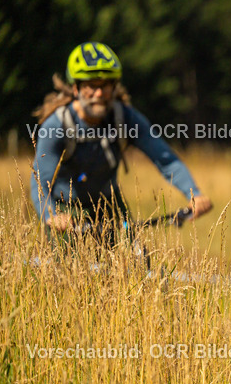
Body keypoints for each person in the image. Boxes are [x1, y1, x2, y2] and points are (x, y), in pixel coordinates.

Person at [30, 41, 212, 246]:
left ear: (114, 87)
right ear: (76, 88)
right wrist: (51, 215)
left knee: (136, 266)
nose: (99, 94)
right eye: (91, 85)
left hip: (109, 205)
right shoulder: (57, 125)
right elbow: (39, 182)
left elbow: (165, 159)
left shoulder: (124, 117)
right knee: (70, 272)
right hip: (65, 210)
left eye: (105, 85)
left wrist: (194, 193)